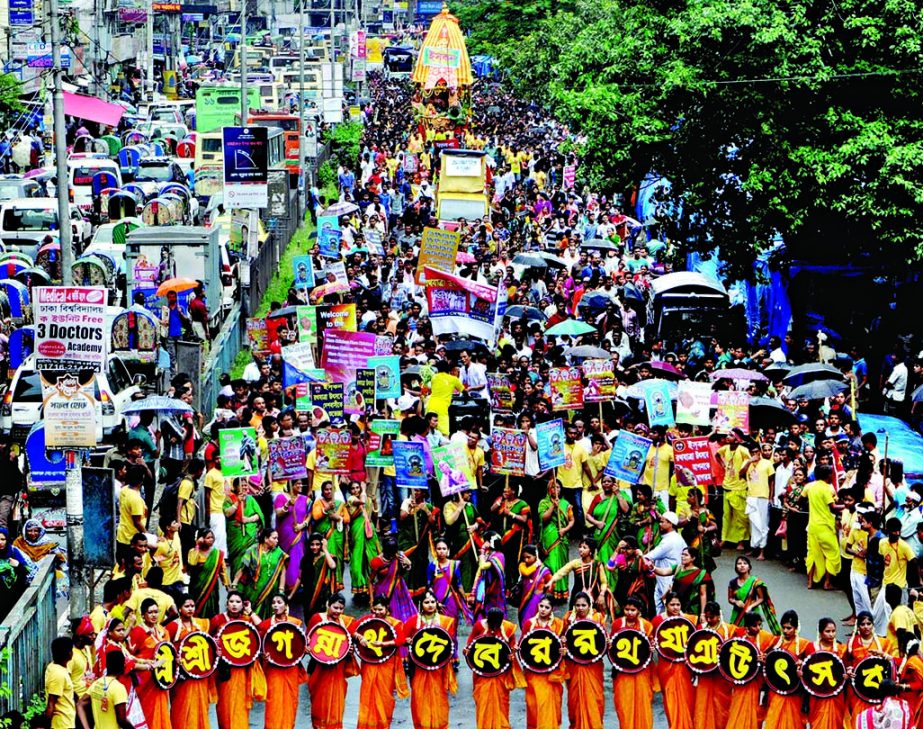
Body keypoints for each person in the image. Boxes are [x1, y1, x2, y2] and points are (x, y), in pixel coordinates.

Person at [351, 596, 409, 729]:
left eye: (380, 609)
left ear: (387, 608)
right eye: (375, 609)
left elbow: (401, 639)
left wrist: (384, 644)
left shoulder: (395, 623)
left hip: (387, 663)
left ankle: (383, 724)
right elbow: (351, 629)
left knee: (385, 695)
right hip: (370, 662)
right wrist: (359, 637)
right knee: (368, 693)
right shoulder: (367, 620)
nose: (377, 612)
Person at [404, 589, 458, 729]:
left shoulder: (446, 622)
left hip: (438, 667)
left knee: (439, 695)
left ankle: (439, 724)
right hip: (418, 666)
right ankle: (422, 724)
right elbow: (402, 639)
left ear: (437, 603)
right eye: (426, 602)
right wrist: (407, 640)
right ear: (421, 604)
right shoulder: (412, 622)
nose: (430, 605)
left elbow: (450, 642)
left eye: (433, 602)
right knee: (419, 696)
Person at [465, 606, 525, 729]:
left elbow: (512, 646)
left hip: (501, 673)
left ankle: (501, 725)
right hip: (482, 673)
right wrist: (466, 651)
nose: (494, 627)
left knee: (501, 701)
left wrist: (512, 653)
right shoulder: (479, 626)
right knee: (483, 702)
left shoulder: (508, 628)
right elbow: (470, 644)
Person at [210, 591, 262, 729]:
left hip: (242, 671)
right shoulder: (218, 620)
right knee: (225, 707)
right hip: (224, 671)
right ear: (226, 604)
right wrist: (216, 647)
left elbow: (263, 628)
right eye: (231, 601)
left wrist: (250, 612)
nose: (234, 605)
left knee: (240, 706)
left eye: (238, 602)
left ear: (242, 605)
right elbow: (207, 642)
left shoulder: (246, 620)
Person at [306, 593, 358, 729]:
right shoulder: (317, 618)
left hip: (338, 670)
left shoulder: (345, 622)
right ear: (328, 604)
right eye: (335, 607)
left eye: (341, 609)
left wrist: (350, 650)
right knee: (319, 704)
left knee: (336, 704)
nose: (338, 612)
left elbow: (352, 638)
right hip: (319, 668)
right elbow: (308, 639)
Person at [258, 594, 306, 729]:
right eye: (273, 603)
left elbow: (298, 647)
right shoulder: (266, 624)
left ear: (286, 606)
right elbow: (260, 647)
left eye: (279, 602)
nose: (275, 605)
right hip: (273, 670)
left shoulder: (295, 623)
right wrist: (264, 656)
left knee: (291, 701)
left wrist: (304, 650)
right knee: (274, 702)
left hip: (291, 669)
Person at [166, 595, 214, 729]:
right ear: (180, 609)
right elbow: (166, 648)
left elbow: (209, 645)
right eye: (187, 606)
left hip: (199, 674)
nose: (190, 609)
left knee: (200, 707)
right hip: (182, 677)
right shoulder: (173, 627)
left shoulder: (201, 625)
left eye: (192, 606)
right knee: (181, 707)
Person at [651, 591, 695, 729]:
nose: (675, 608)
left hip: (685, 667)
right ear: (666, 604)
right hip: (666, 666)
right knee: (670, 700)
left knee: (688, 700)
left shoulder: (690, 620)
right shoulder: (658, 621)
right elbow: (651, 639)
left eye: (678, 604)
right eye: (672, 605)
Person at [562, 592, 606, 729]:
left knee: (595, 697)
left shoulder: (598, 617)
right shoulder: (569, 618)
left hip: (593, 666)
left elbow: (603, 640)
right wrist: (562, 642)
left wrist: (608, 642)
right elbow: (563, 636)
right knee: (575, 700)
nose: (580, 608)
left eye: (583, 605)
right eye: (578, 605)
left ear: (589, 605)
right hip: (574, 665)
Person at [610, 596, 654, 729]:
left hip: (642, 671)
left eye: (632, 610)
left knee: (642, 703)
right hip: (622, 672)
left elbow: (649, 646)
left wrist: (651, 647)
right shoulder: (617, 624)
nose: (629, 612)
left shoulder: (646, 626)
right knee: (624, 705)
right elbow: (612, 647)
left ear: (639, 611)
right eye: (627, 609)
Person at [521, 595, 565, 729]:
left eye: (547, 607)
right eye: (541, 606)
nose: (543, 610)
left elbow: (563, 644)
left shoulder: (558, 624)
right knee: (534, 705)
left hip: (552, 673)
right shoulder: (529, 623)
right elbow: (523, 645)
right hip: (534, 672)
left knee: (549, 704)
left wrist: (564, 649)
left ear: (552, 609)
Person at [726, 612, 775, 729]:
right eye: (754, 626)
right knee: (737, 708)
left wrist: (765, 659)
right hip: (740, 681)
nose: (758, 628)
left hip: (755, 682)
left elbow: (773, 656)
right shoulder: (738, 635)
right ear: (747, 627)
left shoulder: (766, 638)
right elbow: (730, 655)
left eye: (759, 625)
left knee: (753, 709)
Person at [127, 599, 172, 729]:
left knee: (162, 711)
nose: (154, 615)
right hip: (144, 681)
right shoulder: (137, 632)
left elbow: (169, 652)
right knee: (147, 712)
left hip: (161, 679)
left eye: (156, 612)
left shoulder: (164, 631)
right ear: (143, 615)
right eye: (150, 612)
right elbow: (130, 656)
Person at [764, 610, 809, 729]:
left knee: (793, 721)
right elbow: (767, 662)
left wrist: (803, 664)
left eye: (789, 628)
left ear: (796, 628)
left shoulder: (804, 645)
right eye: (783, 627)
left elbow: (810, 666)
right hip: (776, 691)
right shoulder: (775, 642)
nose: (785, 631)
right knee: (774, 718)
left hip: (794, 692)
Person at [693, 602, 735, 729]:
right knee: (702, 704)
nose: (709, 620)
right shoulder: (701, 628)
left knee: (721, 706)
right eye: (707, 617)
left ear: (718, 615)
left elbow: (737, 650)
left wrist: (724, 651)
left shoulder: (729, 630)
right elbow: (693, 648)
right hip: (704, 674)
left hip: (721, 676)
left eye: (712, 617)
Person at [803, 464, 843, 590]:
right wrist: (847, 506)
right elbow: (833, 508)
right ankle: (827, 583)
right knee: (832, 554)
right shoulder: (826, 489)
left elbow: (800, 500)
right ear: (828, 475)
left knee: (812, 554)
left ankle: (810, 582)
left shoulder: (810, 487)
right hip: (825, 526)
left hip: (812, 526)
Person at [233, 528, 287, 619]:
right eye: (274, 538)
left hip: (272, 591)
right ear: (266, 539)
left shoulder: (279, 553)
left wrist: (281, 590)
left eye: (277, 538)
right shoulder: (253, 550)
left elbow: (282, 573)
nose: (277, 541)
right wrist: (234, 583)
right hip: (254, 590)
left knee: (270, 617)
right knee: (253, 616)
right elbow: (243, 568)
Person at [806, 617, 848, 729]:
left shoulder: (841, 649)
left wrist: (847, 674)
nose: (831, 634)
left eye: (833, 631)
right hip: (817, 694)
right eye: (827, 631)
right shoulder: (811, 648)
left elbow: (846, 667)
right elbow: (807, 670)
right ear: (820, 633)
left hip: (835, 695)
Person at [548, 537, 610, 615]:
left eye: (584, 547)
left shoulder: (597, 564)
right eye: (580, 547)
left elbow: (604, 582)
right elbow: (561, 572)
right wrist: (551, 581)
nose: (580, 549)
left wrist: (602, 594)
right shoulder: (576, 563)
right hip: (577, 595)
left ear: (591, 550)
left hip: (594, 596)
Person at [427, 537, 471, 644]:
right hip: (436, 603)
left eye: (444, 549)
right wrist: (435, 603)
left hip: (451, 602)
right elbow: (429, 586)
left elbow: (459, 585)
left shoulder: (454, 565)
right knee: (437, 631)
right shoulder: (432, 566)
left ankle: (453, 657)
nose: (441, 551)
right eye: (439, 549)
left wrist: (465, 600)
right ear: (435, 550)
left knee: (452, 629)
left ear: (448, 551)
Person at [490, 482, 532, 589]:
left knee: (513, 563)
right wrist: (501, 500)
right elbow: (492, 509)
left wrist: (510, 514)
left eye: (507, 489)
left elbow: (524, 519)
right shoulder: (502, 500)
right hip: (501, 536)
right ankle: (501, 587)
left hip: (515, 537)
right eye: (503, 490)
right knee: (501, 561)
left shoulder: (522, 504)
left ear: (513, 491)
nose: (505, 491)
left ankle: (513, 588)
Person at [538, 480, 574, 602]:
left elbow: (571, 520)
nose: (556, 490)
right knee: (552, 564)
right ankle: (550, 592)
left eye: (558, 487)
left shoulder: (566, 504)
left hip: (562, 537)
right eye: (553, 487)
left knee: (562, 565)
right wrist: (553, 506)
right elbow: (543, 518)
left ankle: (561, 592)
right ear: (549, 489)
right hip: (550, 536)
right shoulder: (544, 503)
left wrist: (565, 529)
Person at [727, 555, 782, 634]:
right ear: (736, 567)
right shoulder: (732, 582)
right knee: (736, 635)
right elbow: (730, 598)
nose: (742, 565)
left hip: (752, 613)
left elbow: (761, 598)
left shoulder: (755, 582)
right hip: (737, 614)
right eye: (739, 563)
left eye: (745, 563)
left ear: (749, 567)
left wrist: (750, 607)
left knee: (753, 634)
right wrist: (735, 602)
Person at [274, 478, 311, 594]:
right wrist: (287, 504)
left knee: (298, 558)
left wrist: (303, 525)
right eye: (297, 484)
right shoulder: (281, 497)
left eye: (301, 483)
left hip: (299, 533)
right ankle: (287, 585)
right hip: (286, 533)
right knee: (288, 560)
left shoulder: (305, 499)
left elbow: (309, 515)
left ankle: (299, 585)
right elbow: (279, 514)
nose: (300, 486)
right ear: (291, 485)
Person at [644, 511, 687, 613]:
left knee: (666, 611)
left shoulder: (669, 541)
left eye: (662, 522)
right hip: (663, 579)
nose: (660, 524)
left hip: (667, 580)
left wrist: (638, 554)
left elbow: (649, 557)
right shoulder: (676, 537)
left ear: (670, 524)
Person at [312, 480, 350, 592]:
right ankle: (326, 585)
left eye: (331, 489)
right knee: (326, 559)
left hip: (338, 536)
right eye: (326, 489)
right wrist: (326, 509)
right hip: (326, 537)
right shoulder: (318, 502)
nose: (329, 491)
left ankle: (337, 584)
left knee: (338, 559)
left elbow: (347, 518)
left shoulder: (340, 503)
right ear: (322, 491)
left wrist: (338, 518)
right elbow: (315, 516)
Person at [14, 518, 67, 596]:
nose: (32, 533)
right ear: (25, 531)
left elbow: (61, 561)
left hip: (45, 578)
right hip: (24, 579)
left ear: (40, 531)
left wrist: (54, 554)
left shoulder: (48, 543)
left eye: (36, 531)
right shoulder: (19, 542)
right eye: (29, 530)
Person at [370, 535, 418, 623]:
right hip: (382, 593)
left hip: (399, 589)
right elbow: (370, 581)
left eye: (393, 554)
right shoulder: (377, 562)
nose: (392, 557)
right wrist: (372, 600)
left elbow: (402, 571)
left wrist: (408, 564)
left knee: (400, 617)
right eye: (389, 554)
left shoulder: (399, 556)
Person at [347, 481, 381, 602]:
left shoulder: (366, 499)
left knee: (371, 558)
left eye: (357, 488)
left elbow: (374, 517)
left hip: (369, 530)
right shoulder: (351, 499)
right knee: (357, 560)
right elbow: (359, 502)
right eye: (353, 488)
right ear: (350, 491)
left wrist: (375, 503)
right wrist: (364, 492)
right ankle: (358, 587)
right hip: (357, 531)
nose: (356, 490)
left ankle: (370, 585)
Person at [657, 546, 713, 618]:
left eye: (686, 555)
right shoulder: (678, 568)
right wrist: (653, 568)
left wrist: (703, 614)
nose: (682, 557)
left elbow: (703, 595)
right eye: (682, 554)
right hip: (676, 604)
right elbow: (664, 572)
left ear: (693, 558)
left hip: (691, 608)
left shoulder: (701, 574)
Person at [443, 490, 483, 591]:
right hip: (456, 542)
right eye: (467, 492)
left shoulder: (470, 505)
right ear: (459, 493)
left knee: (471, 566)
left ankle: (470, 593)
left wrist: (475, 526)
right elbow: (449, 521)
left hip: (472, 542)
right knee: (459, 566)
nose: (470, 494)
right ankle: (459, 593)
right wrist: (460, 507)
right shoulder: (448, 505)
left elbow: (479, 520)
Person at [289, 533, 336, 620]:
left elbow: (333, 566)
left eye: (318, 544)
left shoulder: (325, 558)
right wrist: (291, 595)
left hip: (322, 595)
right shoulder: (306, 559)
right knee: (309, 620)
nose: (315, 547)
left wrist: (325, 549)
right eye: (312, 544)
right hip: (307, 595)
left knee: (321, 621)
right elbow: (300, 578)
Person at [716, 429, 750, 550]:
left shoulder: (743, 450)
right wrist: (723, 465)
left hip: (739, 487)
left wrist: (743, 472)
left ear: (737, 439)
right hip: (727, 485)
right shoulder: (725, 448)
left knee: (740, 516)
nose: (727, 436)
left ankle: (741, 541)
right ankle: (724, 539)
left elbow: (750, 462)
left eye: (730, 435)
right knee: (726, 515)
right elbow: (717, 455)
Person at [224, 477, 264, 578]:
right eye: (242, 485)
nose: (245, 487)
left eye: (246, 485)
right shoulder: (229, 499)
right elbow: (227, 513)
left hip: (250, 535)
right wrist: (237, 502)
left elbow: (259, 515)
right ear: (235, 487)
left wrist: (248, 520)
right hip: (236, 535)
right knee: (237, 561)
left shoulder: (251, 499)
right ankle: (236, 586)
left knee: (251, 559)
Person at [585, 475, 629, 566]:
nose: (606, 483)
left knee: (613, 559)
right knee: (602, 560)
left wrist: (617, 493)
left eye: (609, 481)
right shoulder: (597, 497)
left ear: (613, 483)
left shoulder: (619, 495)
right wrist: (597, 523)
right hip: (600, 534)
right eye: (604, 482)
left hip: (614, 533)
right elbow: (588, 515)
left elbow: (626, 509)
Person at [187, 528, 229, 618]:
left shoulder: (217, 554)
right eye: (208, 538)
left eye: (212, 537)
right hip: (197, 587)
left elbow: (223, 570)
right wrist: (197, 545)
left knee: (211, 608)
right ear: (201, 539)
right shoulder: (193, 551)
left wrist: (227, 585)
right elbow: (192, 562)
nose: (211, 540)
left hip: (211, 587)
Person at [87, 650, 135, 729]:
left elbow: (80, 704)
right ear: (122, 666)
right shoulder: (119, 688)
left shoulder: (97, 683)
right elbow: (122, 720)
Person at [470, 532, 507, 621]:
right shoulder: (489, 555)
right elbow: (479, 571)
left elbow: (483, 566)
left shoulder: (499, 556)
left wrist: (482, 551)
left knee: (496, 616)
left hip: (495, 592)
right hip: (484, 592)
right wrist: (473, 591)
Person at [513, 544, 552, 627]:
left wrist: (547, 596)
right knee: (525, 620)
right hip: (524, 599)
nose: (526, 560)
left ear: (536, 556)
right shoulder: (522, 565)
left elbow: (551, 582)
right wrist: (536, 565)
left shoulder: (544, 570)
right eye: (524, 557)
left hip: (538, 600)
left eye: (529, 557)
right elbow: (526, 572)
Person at [0, 526, 33, 621]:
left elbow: (27, 572)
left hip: (15, 598)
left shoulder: (14, 552)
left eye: (3, 539)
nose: (0, 543)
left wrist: (18, 565)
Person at [45, 637, 77, 729]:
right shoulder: (58, 674)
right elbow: (51, 703)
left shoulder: (53, 667)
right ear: (69, 653)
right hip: (62, 724)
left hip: (66, 721)